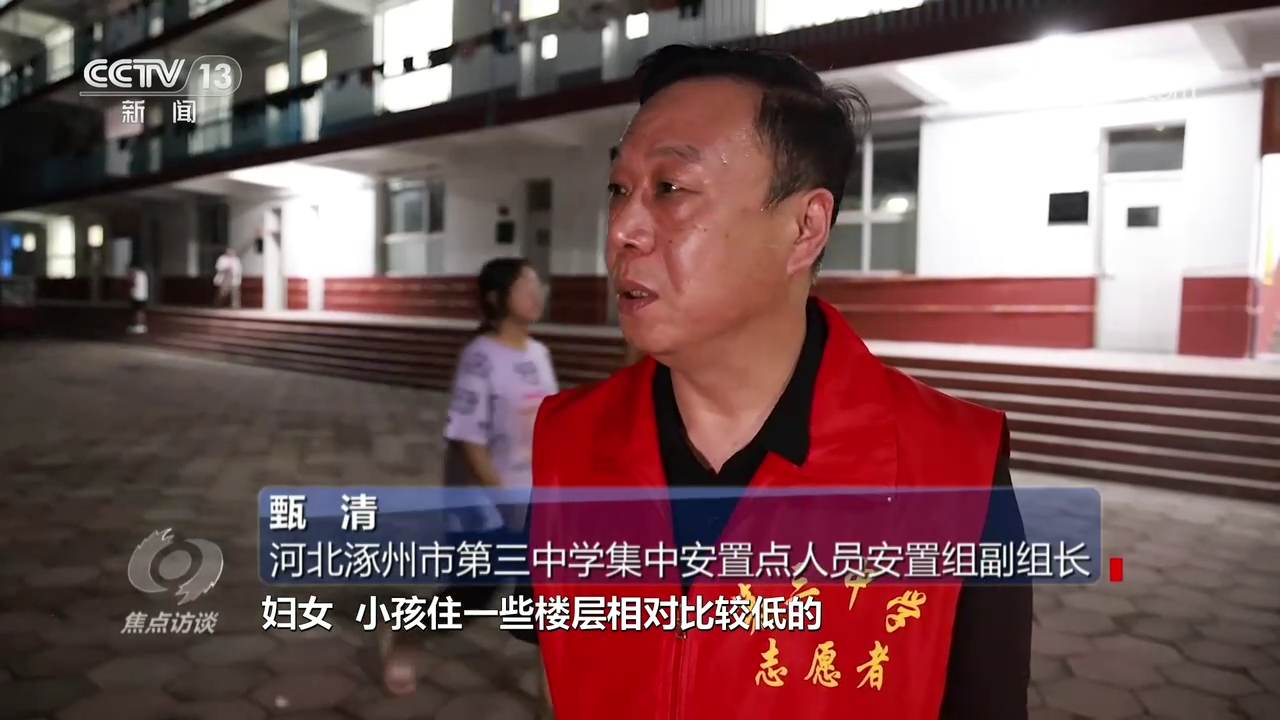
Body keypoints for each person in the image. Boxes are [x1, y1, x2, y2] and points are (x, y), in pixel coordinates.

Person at [527, 45, 1032, 719]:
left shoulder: (951, 467)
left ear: (804, 228)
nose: (622, 229)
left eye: (670, 189)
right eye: (619, 189)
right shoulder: (567, 438)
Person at [380, 257, 558, 706]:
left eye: (537, 284)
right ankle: (406, 635)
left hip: (534, 500)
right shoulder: (480, 357)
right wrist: (504, 502)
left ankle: (552, 700)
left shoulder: (539, 355)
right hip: (485, 504)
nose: (536, 293)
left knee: (545, 600)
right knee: (470, 595)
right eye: (525, 286)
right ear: (496, 299)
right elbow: (467, 439)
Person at [127, 263, 149, 333]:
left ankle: (137, 324)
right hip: (143, 295)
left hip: (136, 295)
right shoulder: (144, 274)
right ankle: (142, 324)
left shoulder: (135, 274)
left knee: (136, 311)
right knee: (141, 310)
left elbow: (132, 283)